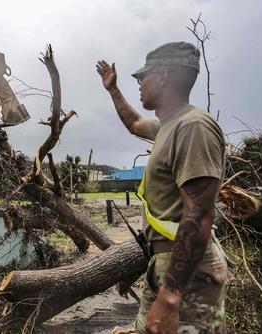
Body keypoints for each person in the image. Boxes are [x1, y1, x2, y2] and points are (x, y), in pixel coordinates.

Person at [96, 42, 228, 334]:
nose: (139, 84)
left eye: (144, 77)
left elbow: (198, 215)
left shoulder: (193, 127)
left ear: (165, 76)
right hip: (167, 264)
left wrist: (170, 297)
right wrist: (112, 90)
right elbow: (133, 123)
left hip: (187, 273)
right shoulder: (169, 126)